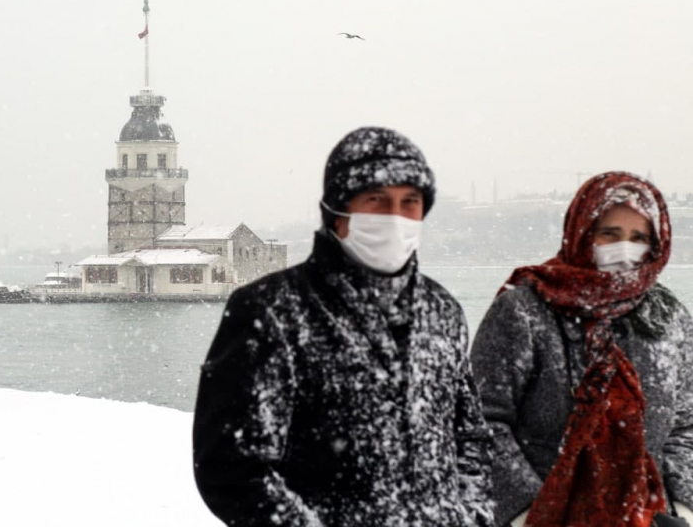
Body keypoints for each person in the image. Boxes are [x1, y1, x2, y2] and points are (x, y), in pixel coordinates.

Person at [192, 127, 494, 526]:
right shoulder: (272, 311)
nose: (395, 217)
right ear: (338, 212)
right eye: (376, 200)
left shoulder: (442, 311)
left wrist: (470, 515)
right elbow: (232, 468)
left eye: (410, 202)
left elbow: (470, 437)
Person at [471, 172, 693, 527]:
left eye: (638, 237)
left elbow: (686, 424)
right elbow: (480, 420)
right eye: (610, 233)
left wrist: (680, 509)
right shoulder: (525, 310)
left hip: (647, 518)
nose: (625, 248)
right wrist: (528, 513)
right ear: (583, 232)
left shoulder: (669, 318)